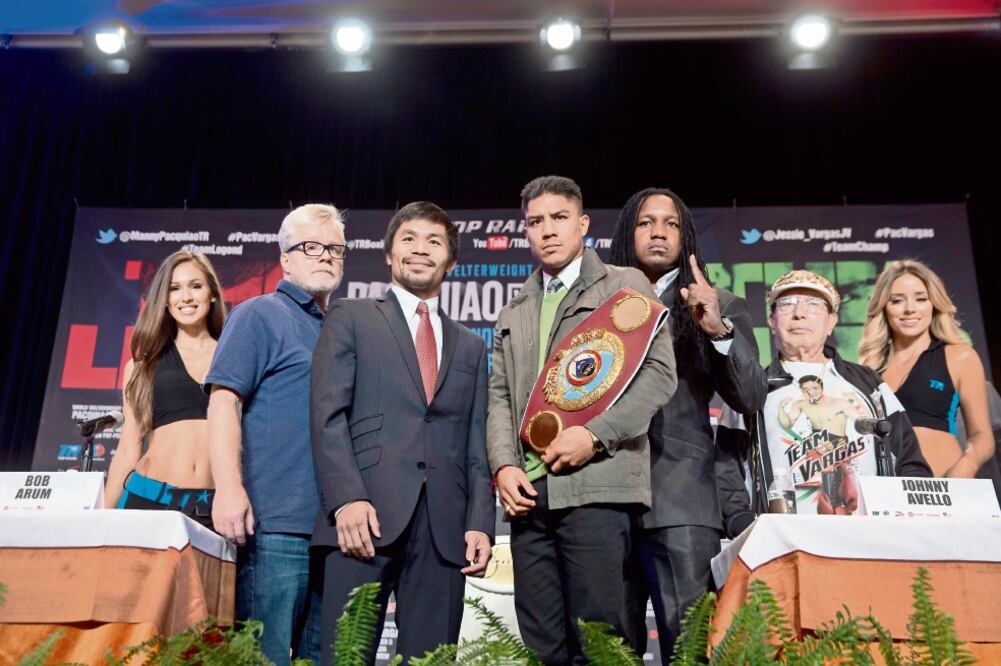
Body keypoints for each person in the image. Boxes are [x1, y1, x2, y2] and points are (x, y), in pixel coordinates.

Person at [487, 175, 677, 665]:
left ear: (583, 225)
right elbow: (502, 397)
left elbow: (658, 377)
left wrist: (594, 436)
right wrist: (504, 466)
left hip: (598, 486)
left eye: (559, 218)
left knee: (602, 642)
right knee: (543, 646)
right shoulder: (515, 307)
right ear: (525, 231)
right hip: (528, 497)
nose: (547, 230)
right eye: (535, 221)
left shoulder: (624, 284)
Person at [311, 201, 494, 666]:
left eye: (434, 242)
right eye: (408, 239)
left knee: (431, 660)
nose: (420, 250)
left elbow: (477, 444)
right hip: (362, 518)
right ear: (389, 255)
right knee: (345, 657)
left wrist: (479, 521)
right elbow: (328, 416)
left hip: (444, 529)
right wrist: (346, 499)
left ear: (450, 262)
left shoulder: (472, 347)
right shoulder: (350, 316)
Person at [607, 187, 767, 660]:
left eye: (671, 223)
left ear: (686, 236)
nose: (658, 232)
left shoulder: (721, 305)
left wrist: (716, 330)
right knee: (608, 651)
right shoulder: (598, 302)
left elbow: (751, 395)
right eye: (646, 222)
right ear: (626, 233)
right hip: (603, 498)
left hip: (681, 498)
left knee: (691, 647)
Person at [205, 204, 346, 665]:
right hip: (273, 527)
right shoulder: (258, 315)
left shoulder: (345, 329)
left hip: (336, 531)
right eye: (311, 247)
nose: (325, 256)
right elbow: (224, 402)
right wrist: (228, 488)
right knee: (263, 659)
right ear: (285, 258)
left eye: (334, 249)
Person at [715, 269, 932, 524]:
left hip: (871, 533)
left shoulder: (868, 383)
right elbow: (726, 473)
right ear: (772, 321)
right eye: (786, 305)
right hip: (788, 538)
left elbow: (909, 459)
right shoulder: (753, 389)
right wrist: (742, 523)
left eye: (814, 304)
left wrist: (913, 520)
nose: (800, 313)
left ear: (832, 322)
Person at [104, 249, 226, 529]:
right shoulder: (141, 366)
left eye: (196, 286)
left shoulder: (237, 357)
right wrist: (103, 519)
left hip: (216, 508)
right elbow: (127, 450)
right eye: (174, 289)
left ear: (212, 294)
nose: (186, 297)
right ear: (164, 301)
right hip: (149, 501)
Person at [859, 259, 995, 478]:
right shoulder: (869, 369)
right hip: (884, 494)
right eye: (896, 301)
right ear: (883, 307)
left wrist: (965, 467)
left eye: (921, 299)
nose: (910, 309)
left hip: (943, 487)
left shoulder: (959, 357)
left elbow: (982, 437)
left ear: (934, 305)